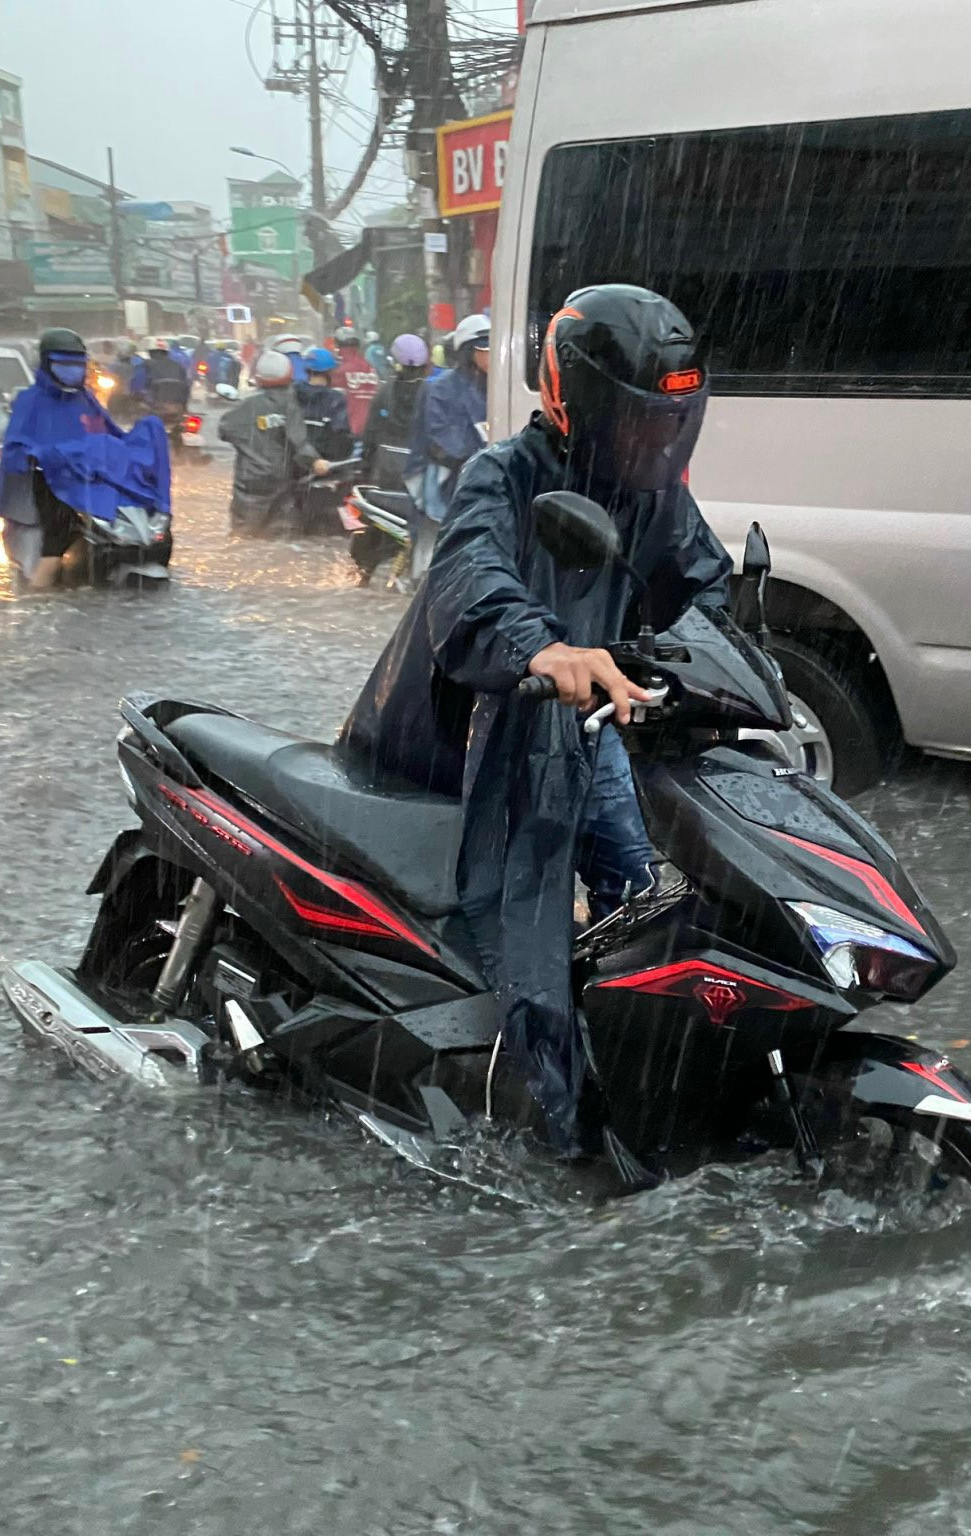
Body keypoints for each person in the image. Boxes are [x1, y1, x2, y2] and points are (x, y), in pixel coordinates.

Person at [340, 284, 728, 1160]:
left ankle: (635, 1074)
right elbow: (470, 580)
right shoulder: (502, 475)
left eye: (668, 425)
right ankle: (535, 1130)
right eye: (636, 422)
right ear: (576, 403)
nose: (654, 442)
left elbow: (700, 580)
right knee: (518, 943)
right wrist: (542, 649)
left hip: (581, 735)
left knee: (650, 906)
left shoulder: (653, 493)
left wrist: (721, 661)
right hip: (471, 738)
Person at [0, 328, 124, 589]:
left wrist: (135, 447)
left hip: (89, 479)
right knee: (58, 538)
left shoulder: (86, 398)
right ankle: (37, 596)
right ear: (47, 363)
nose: (72, 369)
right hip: (50, 482)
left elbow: (109, 431)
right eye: (63, 363)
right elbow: (14, 447)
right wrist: (38, 455)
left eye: (77, 363)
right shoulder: (30, 401)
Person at [218, 348, 335, 534]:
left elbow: (224, 431)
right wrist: (315, 461)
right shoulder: (290, 404)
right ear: (289, 375)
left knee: (244, 535)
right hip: (280, 483)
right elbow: (299, 443)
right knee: (280, 534)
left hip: (249, 484)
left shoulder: (246, 405)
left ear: (258, 377)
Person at [407, 312, 489, 531]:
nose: (490, 354)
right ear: (468, 351)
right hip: (448, 480)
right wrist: (477, 458)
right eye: (483, 348)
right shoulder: (441, 389)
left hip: (486, 480)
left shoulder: (496, 387)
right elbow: (441, 440)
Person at [359, 332, 431, 488]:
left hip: (386, 472)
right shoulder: (432, 393)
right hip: (420, 475)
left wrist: (367, 465)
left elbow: (370, 434)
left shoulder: (384, 392)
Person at [295, 347, 354, 464]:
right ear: (330, 371)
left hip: (295, 462)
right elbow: (341, 440)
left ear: (307, 370)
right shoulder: (335, 399)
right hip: (324, 465)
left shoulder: (292, 394)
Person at [328, 324, 378, 438]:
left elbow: (331, 401)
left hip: (347, 428)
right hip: (369, 428)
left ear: (338, 344)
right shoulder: (370, 368)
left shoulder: (340, 371)